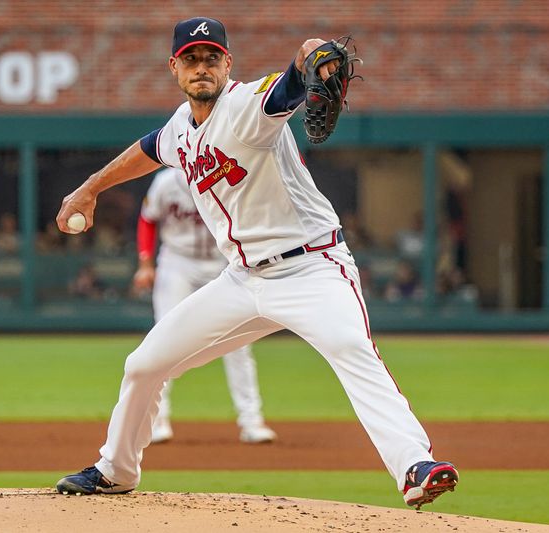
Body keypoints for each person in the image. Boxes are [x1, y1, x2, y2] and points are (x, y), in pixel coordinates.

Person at [54, 17, 458, 509]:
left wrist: (312, 51)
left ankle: (415, 464)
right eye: (190, 59)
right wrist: (88, 188)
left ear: (228, 64)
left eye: (210, 58)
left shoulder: (247, 105)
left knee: (351, 347)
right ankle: (115, 470)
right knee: (143, 365)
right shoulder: (180, 129)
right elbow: (146, 150)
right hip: (242, 281)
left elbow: (288, 83)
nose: (200, 67)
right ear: (174, 68)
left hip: (312, 268)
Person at [133, 166, 277, 444]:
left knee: (238, 342)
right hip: (177, 262)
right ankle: (158, 419)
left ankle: (251, 421)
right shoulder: (166, 182)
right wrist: (145, 262)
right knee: (165, 337)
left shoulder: (228, 175)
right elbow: (147, 219)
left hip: (223, 262)